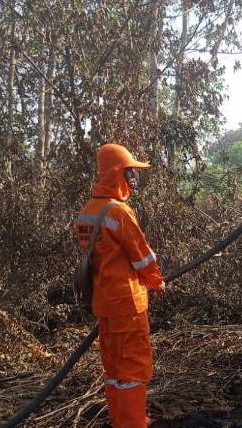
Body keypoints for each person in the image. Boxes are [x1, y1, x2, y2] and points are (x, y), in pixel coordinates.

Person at [75, 143, 165, 427]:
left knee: (113, 367)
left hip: (104, 303)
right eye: (130, 172)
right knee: (133, 367)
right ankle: (134, 422)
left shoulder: (87, 211)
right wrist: (156, 282)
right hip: (128, 303)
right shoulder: (119, 213)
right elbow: (142, 257)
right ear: (117, 174)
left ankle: (124, 420)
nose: (133, 180)